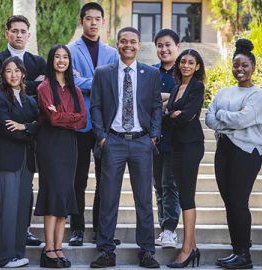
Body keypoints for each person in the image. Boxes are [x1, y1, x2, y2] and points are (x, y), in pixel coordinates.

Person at [89, 27, 162, 269]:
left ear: (139, 45)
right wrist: (101, 137)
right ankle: (107, 250)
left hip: (142, 142)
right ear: (117, 44)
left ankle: (147, 251)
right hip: (114, 142)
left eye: (132, 41)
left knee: (144, 199)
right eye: (123, 41)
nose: (128, 45)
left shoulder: (150, 73)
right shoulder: (103, 73)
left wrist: (153, 136)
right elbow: (96, 106)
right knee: (108, 198)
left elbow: (155, 107)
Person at [205, 39, 262, 269]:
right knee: (230, 202)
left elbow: (244, 120)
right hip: (224, 151)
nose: (239, 69)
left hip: (246, 152)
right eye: (236, 65)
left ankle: (245, 255)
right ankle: (236, 250)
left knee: (239, 201)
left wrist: (223, 117)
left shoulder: (257, 94)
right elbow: (210, 118)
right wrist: (227, 119)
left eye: (244, 65)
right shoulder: (224, 91)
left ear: (253, 67)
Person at [0, 15, 45, 247]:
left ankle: (25, 229)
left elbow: (41, 95)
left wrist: (27, 91)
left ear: (28, 35)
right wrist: (31, 86)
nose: (18, 35)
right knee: (0, 190)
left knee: (26, 189)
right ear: (7, 34)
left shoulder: (38, 61)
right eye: (14, 31)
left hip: (27, 140)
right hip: (5, 135)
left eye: (23, 31)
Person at [67, 1, 119, 247]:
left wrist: (85, 81)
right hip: (78, 125)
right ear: (81, 21)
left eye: (98, 18)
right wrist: (99, 81)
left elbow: (115, 84)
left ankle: (101, 229)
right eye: (89, 18)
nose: (93, 22)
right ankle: (76, 228)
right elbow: (71, 83)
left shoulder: (113, 53)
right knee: (78, 179)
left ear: (103, 22)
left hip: (105, 127)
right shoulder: (70, 50)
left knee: (105, 180)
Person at [35, 44, 86, 268]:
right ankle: (48, 250)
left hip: (69, 146)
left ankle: (58, 248)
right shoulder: (44, 87)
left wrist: (63, 115)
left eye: (65, 57)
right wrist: (69, 117)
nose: (62, 60)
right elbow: (53, 120)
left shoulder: (75, 90)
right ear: (51, 60)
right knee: (52, 194)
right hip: (50, 145)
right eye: (57, 57)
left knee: (65, 195)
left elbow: (83, 120)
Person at [0, 57, 40, 268]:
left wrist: (24, 127)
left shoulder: (30, 99)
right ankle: (3, 257)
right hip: (7, 160)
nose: (13, 74)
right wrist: (29, 128)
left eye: (17, 70)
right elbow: (5, 128)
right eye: (8, 71)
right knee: (6, 209)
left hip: (26, 161)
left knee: (20, 209)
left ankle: (17, 254)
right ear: (3, 74)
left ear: (23, 73)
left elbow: (41, 124)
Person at [165, 49, 205, 268]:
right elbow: (169, 116)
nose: (186, 65)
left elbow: (189, 114)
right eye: (183, 62)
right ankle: (194, 245)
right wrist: (172, 114)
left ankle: (187, 250)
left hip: (191, 146)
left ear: (197, 66)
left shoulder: (197, 87)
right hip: (177, 146)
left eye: (191, 62)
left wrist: (172, 114)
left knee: (187, 197)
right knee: (182, 195)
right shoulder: (175, 88)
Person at [152, 28, 181, 249]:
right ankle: (163, 228)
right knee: (158, 186)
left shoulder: (185, 71)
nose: (164, 49)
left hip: (176, 139)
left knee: (170, 184)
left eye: (168, 45)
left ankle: (170, 228)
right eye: (160, 45)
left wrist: (164, 100)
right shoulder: (151, 72)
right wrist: (169, 99)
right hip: (154, 139)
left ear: (177, 47)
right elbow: (145, 100)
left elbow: (186, 99)